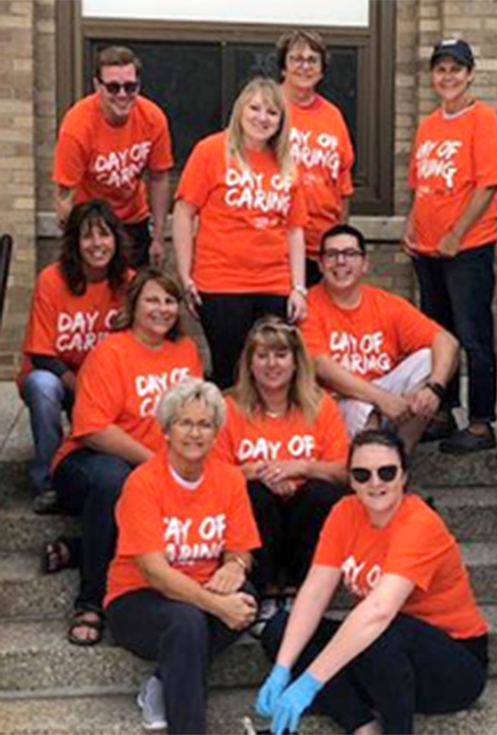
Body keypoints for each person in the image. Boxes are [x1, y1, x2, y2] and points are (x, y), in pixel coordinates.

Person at [256, 428, 488, 735]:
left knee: (377, 628)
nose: (375, 483)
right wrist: (283, 668)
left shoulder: (419, 523)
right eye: (362, 475)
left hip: (452, 665)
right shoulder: (344, 512)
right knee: (279, 629)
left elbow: (379, 610)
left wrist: (310, 682)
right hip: (383, 658)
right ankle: (362, 726)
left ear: (404, 477)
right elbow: (315, 591)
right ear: (351, 480)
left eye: (387, 472)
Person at [51, 268, 203, 646]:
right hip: (88, 463)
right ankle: (90, 602)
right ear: (133, 305)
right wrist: (156, 462)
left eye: (170, 300)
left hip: (156, 468)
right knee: (113, 480)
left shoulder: (184, 351)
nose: (162, 308)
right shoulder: (110, 351)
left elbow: (197, 415)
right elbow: (94, 429)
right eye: (152, 299)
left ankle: (80, 547)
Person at [105, 378, 260, 734]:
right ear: (167, 430)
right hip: (137, 600)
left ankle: (162, 681)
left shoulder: (229, 479)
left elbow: (241, 547)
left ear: (216, 432)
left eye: (205, 424)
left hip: (197, 594)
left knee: (247, 599)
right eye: (185, 423)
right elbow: (155, 572)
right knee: (187, 621)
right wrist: (216, 604)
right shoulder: (142, 483)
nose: (195, 433)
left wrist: (236, 566)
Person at [403, 39, 497, 454]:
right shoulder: (430, 124)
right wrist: (412, 225)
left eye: (456, 69)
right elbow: (421, 184)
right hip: (428, 250)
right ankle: (444, 413)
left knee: (473, 335)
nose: (447, 76)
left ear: (469, 73)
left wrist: (456, 234)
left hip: (467, 249)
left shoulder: (484, 121)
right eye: (441, 69)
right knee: (439, 335)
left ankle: (482, 424)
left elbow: (488, 185)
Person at [173, 76, 308, 389]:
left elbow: (294, 230)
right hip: (221, 283)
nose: (262, 118)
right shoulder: (210, 151)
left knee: (272, 374)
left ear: (281, 120)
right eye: (255, 108)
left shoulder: (286, 163)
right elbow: (183, 212)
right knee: (230, 372)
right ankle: (229, 437)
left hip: (273, 285)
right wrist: (185, 275)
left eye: (272, 112)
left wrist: (298, 288)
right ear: (240, 110)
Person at [214, 316, 349, 618]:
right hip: (257, 514)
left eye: (280, 354)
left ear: (296, 362)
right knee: (254, 493)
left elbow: (343, 472)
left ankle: (300, 589)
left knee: (321, 493)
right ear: (249, 364)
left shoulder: (321, 404)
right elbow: (213, 476)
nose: (271, 364)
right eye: (262, 355)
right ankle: (266, 589)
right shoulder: (228, 407)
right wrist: (261, 472)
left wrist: (299, 468)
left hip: (304, 511)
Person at [301, 224, 459, 450]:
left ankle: (400, 461)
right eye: (332, 254)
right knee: (361, 407)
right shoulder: (309, 305)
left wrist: (433, 389)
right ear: (321, 265)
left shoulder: (384, 303)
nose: (341, 261)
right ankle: (369, 472)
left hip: (387, 398)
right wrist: (381, 400)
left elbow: (447, 341)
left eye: (350, 254)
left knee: (433, 358)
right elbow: (321, 366)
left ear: (364, 264)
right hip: (336, 402)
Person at [18, 200, 131, 515]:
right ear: (74, 244)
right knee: (42, 386)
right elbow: (41, 355)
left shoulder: (129, 283)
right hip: (60, 376)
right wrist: (84, 389)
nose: (97, 244)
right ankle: (48, 480)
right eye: (87, 236)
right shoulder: (52, 280)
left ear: (116, 239)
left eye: (104, 235)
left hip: (106, 384)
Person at [53, 46, 174, 268]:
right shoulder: (77, 126)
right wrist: (74, 243)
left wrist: (158, 238)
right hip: (90, 222)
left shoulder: (153, 118)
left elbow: (159, 177)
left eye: (130, 87)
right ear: (97, 86)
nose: (122, 95)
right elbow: (64, 194)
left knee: (135, 292)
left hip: (133, 219)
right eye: (113, 87)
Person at [277, 30, 355, 285]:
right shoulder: (266, 109)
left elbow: (342, 186)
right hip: (276, 245)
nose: (304, 66)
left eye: (312, 60)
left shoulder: (333, 116)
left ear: (321, 70)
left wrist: (338, 243)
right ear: (283, 67)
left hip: (321, 247)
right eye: (296, 58)